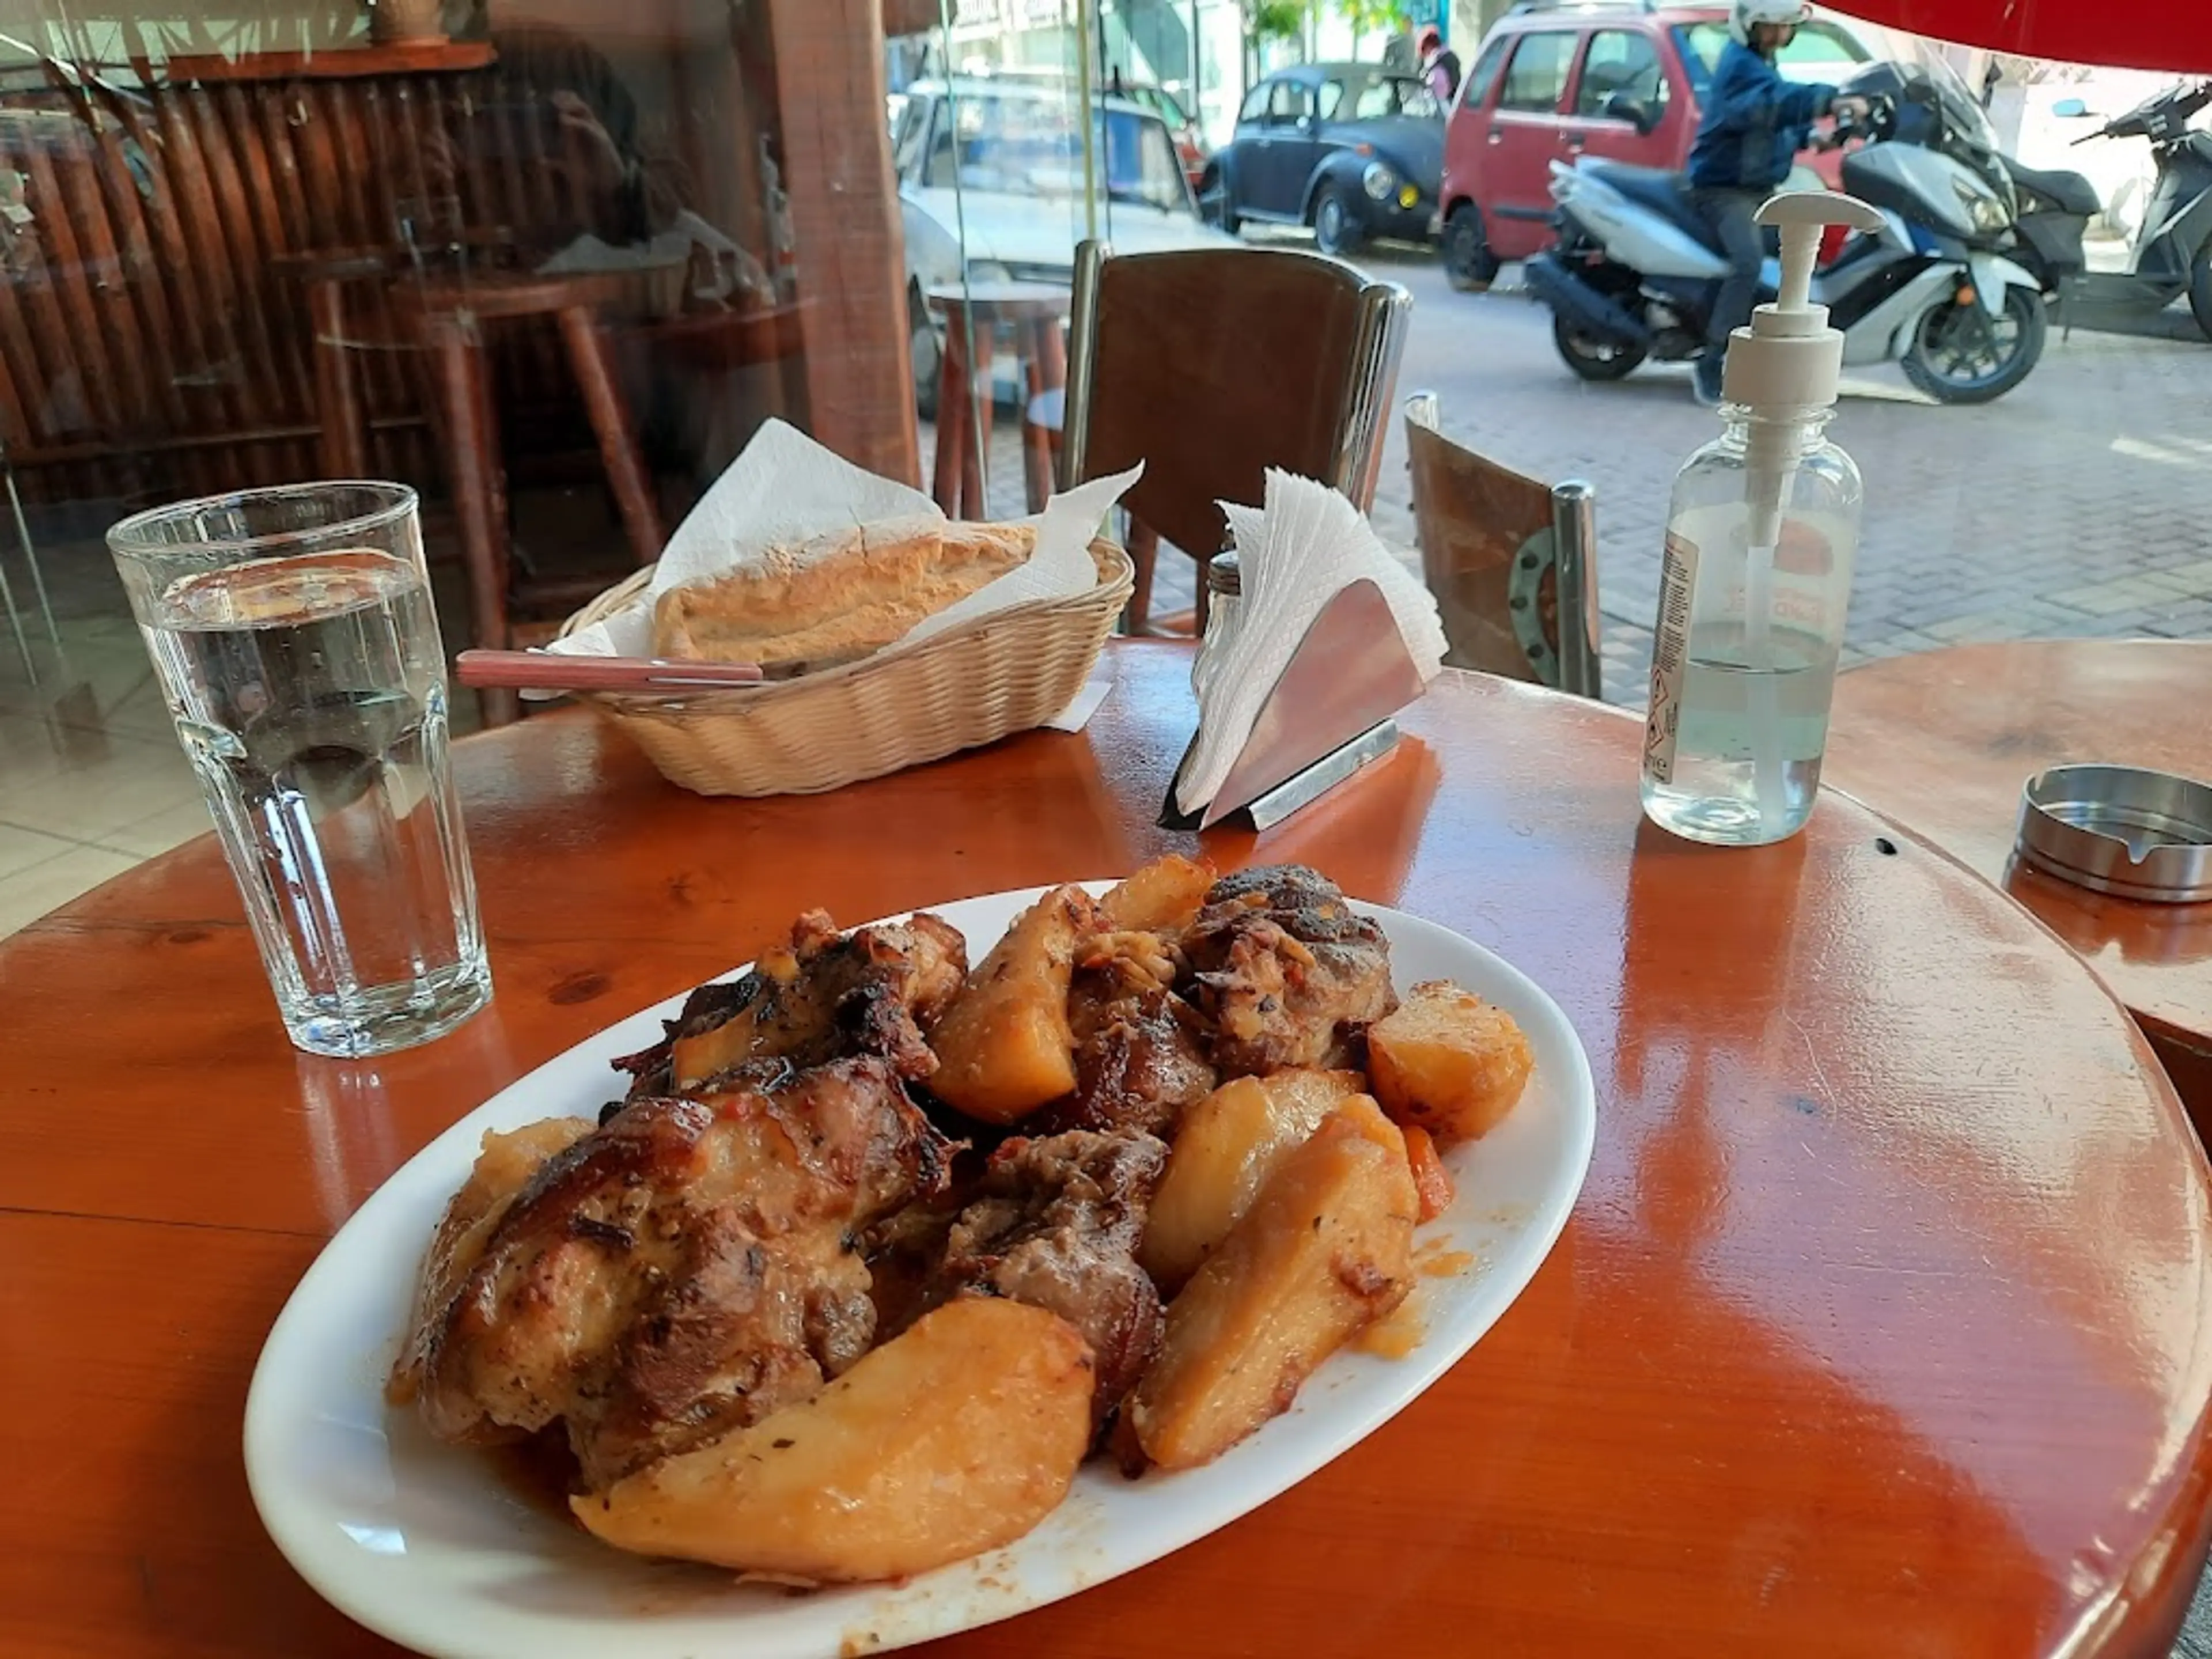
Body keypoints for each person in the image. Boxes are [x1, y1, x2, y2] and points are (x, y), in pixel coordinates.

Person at [1685, 0, 1864, 403]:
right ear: (1748, 26)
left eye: (1786, 28)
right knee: (1748, 262)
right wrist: (1830, 101)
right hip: (1723, 190)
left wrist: (1813, 137)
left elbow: (1766, 126)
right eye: (1771, 28)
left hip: (1756, 190)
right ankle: (1712, 360)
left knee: (1795, 259)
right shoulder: (1742, 65)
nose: (1780, 36)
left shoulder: (1762, 62)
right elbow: (1769, 104)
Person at [1418, 25, 1460, 105]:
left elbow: (1436, 89)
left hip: (1443, 104)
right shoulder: (1450, 55)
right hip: (1455, 101)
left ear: (1428, 46)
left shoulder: (1435, 61)